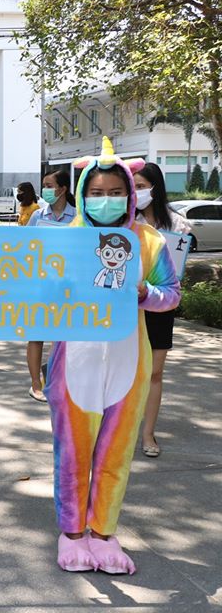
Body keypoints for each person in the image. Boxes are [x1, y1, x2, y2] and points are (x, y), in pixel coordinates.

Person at [46, 138, 180, 575]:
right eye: (97, 193)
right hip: (74, 364)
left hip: (129, 363)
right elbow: (37, 296)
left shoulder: (150, 241)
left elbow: (171, 295)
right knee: (73, 454)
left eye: (116, 192)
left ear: (130, 194)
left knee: (116, 453)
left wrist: (145, 293)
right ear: (82, 195)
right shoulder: (62, 241)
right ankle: (72, 534)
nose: (107, 200)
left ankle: (104, 533)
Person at [133, 162, 191, 458]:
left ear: (155, 188)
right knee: (126, 371)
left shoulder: (177, 225)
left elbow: (176, 275)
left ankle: (148, 434)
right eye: (133, 187)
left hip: (160, 306)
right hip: (129, 307)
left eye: (141, 186)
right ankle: (116, 431)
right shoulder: (126, 222)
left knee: (154, 373)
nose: (136, 193)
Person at [25, 170, 77, 402]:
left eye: (49, 185)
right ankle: (36, 384)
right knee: (36, 335)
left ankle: (57, 380)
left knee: (63, 337)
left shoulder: (78, 217)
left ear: (63, 189)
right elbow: (26, 247)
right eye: (44, 185)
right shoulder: (37, 216)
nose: (45, 189)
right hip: (41, 283)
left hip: (68, 286)